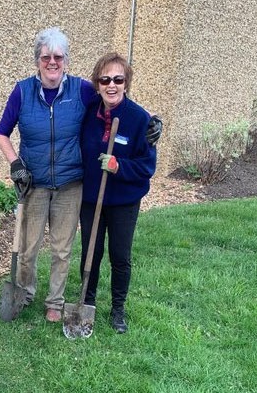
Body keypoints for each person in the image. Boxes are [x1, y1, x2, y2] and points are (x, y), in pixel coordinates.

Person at [0, 27, 161, 323]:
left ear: (66, 60)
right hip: (34, 183)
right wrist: (15, 164)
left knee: (63, 249)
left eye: (58, 56)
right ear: (37, 60)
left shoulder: (80, 90)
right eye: (46, 56)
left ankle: (57, 303)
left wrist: (154, 122)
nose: (52, 62)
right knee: (28, 248)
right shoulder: (23, 91)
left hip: (72, 185)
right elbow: (2, 132)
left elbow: (121, 103)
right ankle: (25, 292)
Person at [79, 52, 157, 333]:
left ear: (127, 83)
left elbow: (147, 166)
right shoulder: (88, 112)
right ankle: (86, 302)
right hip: (91, 199)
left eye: (118, 79)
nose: (111, 85)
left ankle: (118, 309)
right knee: (91, 251)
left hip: (124, 201)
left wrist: (118, 165)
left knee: (120, 255)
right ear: (97, 84)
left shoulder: (139, 119)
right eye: (105, 79)